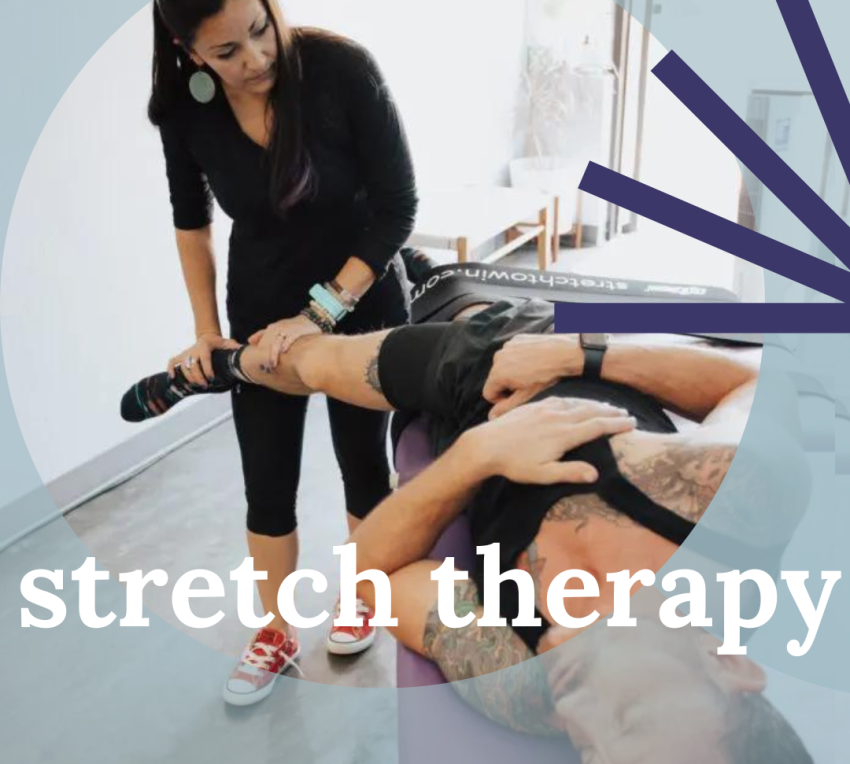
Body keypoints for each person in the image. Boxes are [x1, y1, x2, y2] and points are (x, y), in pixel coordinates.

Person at [121, 281, 813, 760]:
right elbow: (749, 379)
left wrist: (479, 456)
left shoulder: (517, 682)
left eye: (592, 756)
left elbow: (370, 574)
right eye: (627, 723)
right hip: (530, 346)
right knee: (313, 357)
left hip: (464, 406)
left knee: (348, 351)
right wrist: (579, 354)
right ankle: (227, 363)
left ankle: (228, 365)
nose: (576, 723)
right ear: (730, 665)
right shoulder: (734, 503)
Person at [147, 0, 417, 703]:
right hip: (259, 309)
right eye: (226, 50)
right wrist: (208, 332)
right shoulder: (183, 111)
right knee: (266, 481)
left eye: (261, 29)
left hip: (362, 297)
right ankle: (273, 630)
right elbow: (190, 221)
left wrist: (320, 314)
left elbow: (398, 205)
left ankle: (361, 592)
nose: (256, 57)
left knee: (365, 463)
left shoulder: (340, 70)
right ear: (187, 50)